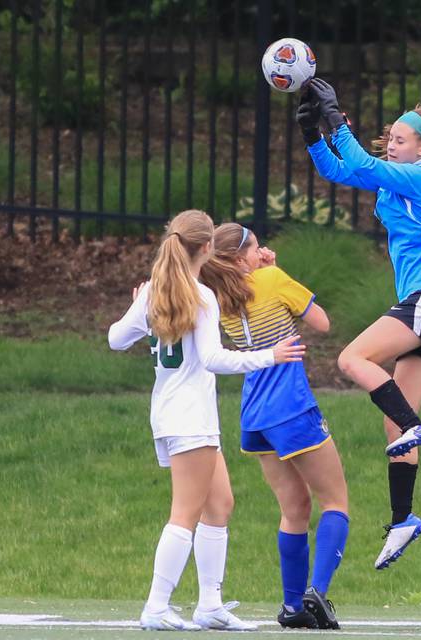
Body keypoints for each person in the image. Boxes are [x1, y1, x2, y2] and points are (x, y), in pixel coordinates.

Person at [108, 209, 306, 632]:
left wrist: (137, 307)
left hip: (174, 415)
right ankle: (156, 606)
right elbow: (215, 359)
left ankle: (210, 605)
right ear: (206, 248)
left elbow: (115, 338)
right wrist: (270, 356)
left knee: (220, 505)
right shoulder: (201, 296)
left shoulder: (155, 294)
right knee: (185, 513)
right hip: (190, 418)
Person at [297, 79, 421, 570]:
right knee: (394, 426)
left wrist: (336, 117)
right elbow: (341, 169)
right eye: (389, 136)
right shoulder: (395, 175)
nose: (392, 142)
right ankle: (403, 519)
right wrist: (314, 133)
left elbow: (366, 164)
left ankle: (417, 426)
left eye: (400, 138)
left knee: (352, 358)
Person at [199, 223, 349, 630]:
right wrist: (277, 273)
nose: (261, 250)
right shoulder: (272, 279)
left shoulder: (217, 296)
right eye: (255, 247)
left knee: (294, 508)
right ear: (242, 257)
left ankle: (292, 606)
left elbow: (250, 295)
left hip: (255, 413)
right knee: (335, 501)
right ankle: (316, 592)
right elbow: (321, 322)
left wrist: (263, 268)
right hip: (291, 405)